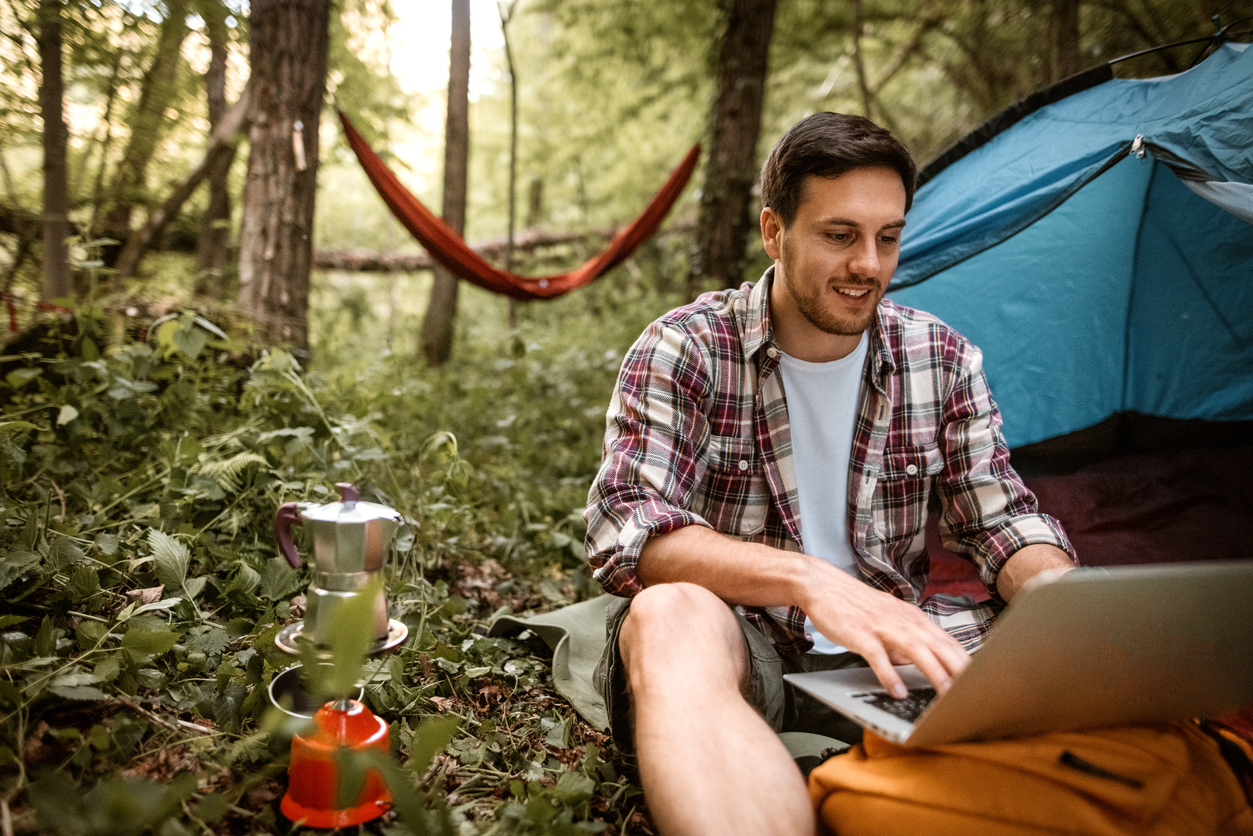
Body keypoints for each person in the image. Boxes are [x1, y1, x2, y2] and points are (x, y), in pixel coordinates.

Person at [583, 112, 1077, 836]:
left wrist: (1059, 593)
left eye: (888, 237)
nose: (868, 266)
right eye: (839, 235)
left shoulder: (940, 359)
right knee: (668, 614)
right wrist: (814, 584)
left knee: (1080, 653)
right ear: (774, 232)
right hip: (747, 641)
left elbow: (999, 520)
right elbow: (628, 528)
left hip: (900, 647)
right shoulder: (685, 347)